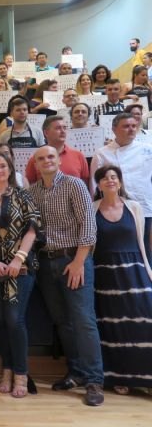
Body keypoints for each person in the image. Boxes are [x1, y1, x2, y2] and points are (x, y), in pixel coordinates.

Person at [28, 146, 104, 406]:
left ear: (59, 160)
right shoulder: (33, 192)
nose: (46, 161)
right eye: (41, 159)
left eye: (50, 157)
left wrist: (79, 262)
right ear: (36, 165)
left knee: (84, 320)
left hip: (74, 260)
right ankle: (77, 373)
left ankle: (94, 380)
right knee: (63, 322)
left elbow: (88, 224)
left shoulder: (75, 185)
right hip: (47, 265)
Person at [0, 153, 41, 398]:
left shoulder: (22, 195)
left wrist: (19, 258)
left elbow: (33, 228)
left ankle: (21, 373)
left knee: (15, 319)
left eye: (3, 166)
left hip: (21, 269)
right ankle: (6, 369)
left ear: (10, 169)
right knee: (0, 320)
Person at [92, 165, 152, 394]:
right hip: (105, 274)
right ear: (98, 184)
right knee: (111, 326)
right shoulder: (93, 208)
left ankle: (145, 379)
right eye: (105, 178)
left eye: (114, 177)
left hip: (135, 271)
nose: (110, 181)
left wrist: (148, 270)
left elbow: (142, 244)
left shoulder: (134, 207)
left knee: (143, 319)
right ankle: (118, 377)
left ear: (120, 182)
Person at [91, 113, 152, 260]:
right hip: (114, 209)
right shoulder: (102, 153)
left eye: (134, 126)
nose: (131, 129)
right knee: (122, 249)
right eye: (126, 126)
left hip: (145, 207)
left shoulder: (148, 149)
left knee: (147, 251)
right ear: (114, 129)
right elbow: (95, 185)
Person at [24, 116, 89, 185]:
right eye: (58, 128)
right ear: (46, 133)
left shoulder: (78, 156)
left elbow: (85, 183)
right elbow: (30, 186)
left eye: (64, 128)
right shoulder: (37, 158)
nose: (63, 131)